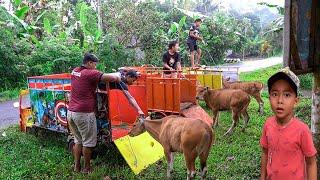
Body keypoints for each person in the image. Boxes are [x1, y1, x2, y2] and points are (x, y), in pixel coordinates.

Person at [67, 53, 121, 173]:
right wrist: (119, 74)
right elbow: (111, 78)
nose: (96, 67)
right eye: (95, 65)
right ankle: (86, 168)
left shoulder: (75, 71)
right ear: (89, 63)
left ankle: (76, 167)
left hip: (71, 112)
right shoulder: (90, 73)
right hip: (84, 114)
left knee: (78, 141)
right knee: (88, 143)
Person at [260, 67, 317, 180]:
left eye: (287, 95)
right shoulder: (268, 125)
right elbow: (265, 153)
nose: (280, 100)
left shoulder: (302, 130)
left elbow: (311, 162)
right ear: (269, 97)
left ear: (296, 101)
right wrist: (262, 177)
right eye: (275, 94)